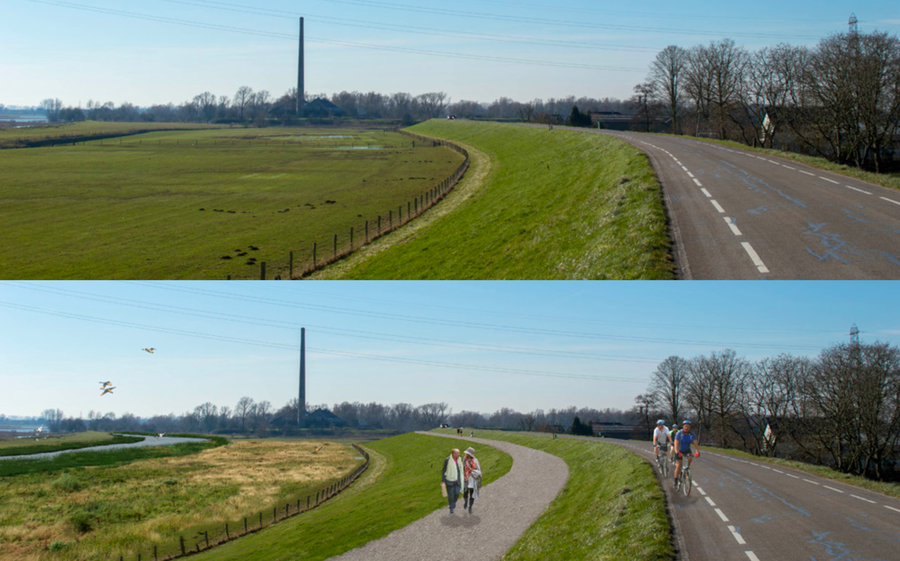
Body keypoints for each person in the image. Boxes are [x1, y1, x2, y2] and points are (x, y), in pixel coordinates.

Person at [673, 420, 700, 489]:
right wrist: (677, 452)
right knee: (678, 466)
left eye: (688, 426)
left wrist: (697, 452)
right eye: (685, 426)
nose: (686, 428)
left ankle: (686, 469)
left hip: (687, 450)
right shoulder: (679, 434)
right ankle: (675, 481)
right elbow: (676, 444)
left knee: (690, 458)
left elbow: (696, 444)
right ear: (683, 427)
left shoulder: (692, 434)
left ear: (690, 427)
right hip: (679, 450)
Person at [442, 448, 464, 514]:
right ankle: (451, 508)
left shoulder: (460, 459)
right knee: (451, 495)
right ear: (453, 454)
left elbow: (461, 469)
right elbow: (444, 470)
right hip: (450, 481)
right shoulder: (447, 460)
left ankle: (453, 502)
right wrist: (443, 480)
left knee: (457, 493)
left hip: (458, 481)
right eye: (458, 453)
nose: (459, 454)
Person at [462, 447, 482, 514]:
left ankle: (470, 507)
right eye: (466, 453)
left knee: (472, 494)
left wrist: (479, 480)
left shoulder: (475, 460)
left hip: (473, 479)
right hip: (466, 479)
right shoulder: (464, 460)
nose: (466, 454)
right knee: (465, 493)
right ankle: (465, 502)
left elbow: (479, 470)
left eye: (467, 454)